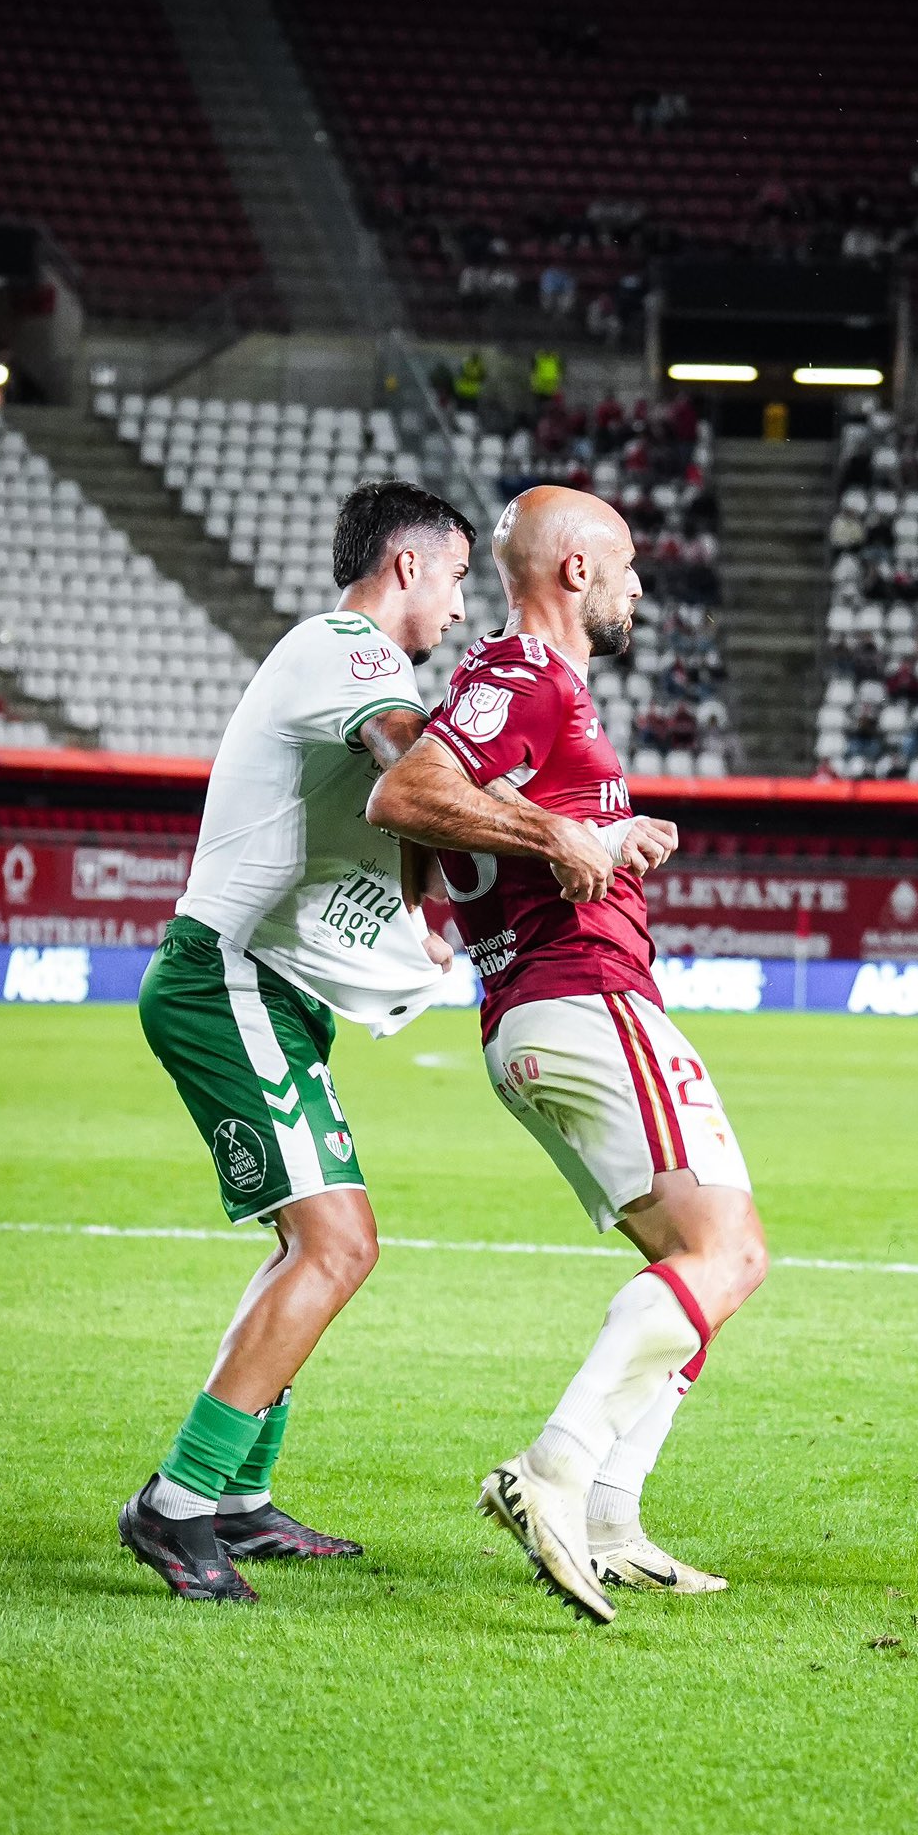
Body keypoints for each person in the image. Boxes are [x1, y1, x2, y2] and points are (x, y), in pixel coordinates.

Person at [367, 485, 767, 1626]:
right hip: (581, 996)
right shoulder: (523, 677)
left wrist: (608, 833)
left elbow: (471, 809)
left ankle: (609, 1512)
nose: (641, 582)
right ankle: (555, 1464)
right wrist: (560, 832)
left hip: (550, 1005)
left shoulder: (527, 691)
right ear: (577, 570)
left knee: (708, 1268)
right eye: (629, 561)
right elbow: (408, 793)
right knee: (724, 1253)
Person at [118, 482, 480, 1604]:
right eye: (460, 577)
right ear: (408, 566)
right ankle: (177, 1506)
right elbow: (407, 759)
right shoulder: (346, 646)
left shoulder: (354, 661)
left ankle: (235, 1496)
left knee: (315, 1245)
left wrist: (425, 909)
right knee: (336, 1245)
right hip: (225, 976)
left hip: (267, 990)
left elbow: (404, 801)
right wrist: (531, 814)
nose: (463, 606)